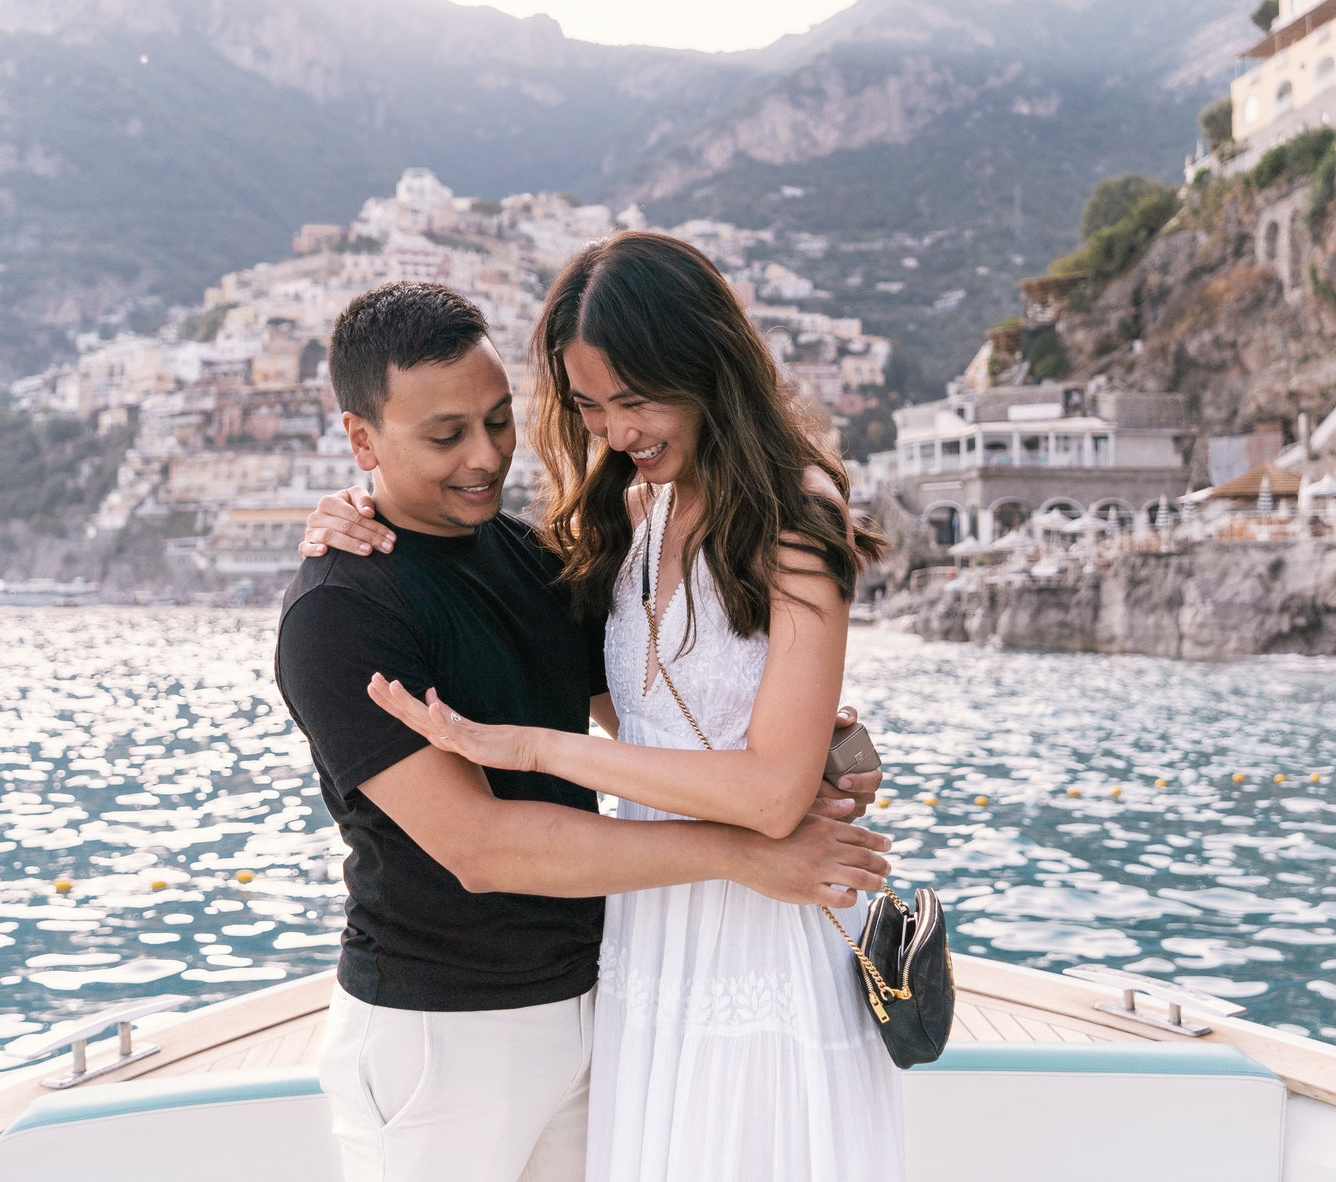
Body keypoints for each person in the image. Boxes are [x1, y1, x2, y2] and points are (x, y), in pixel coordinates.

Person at [307, 234, 906, 1181]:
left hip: (653, 958)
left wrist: (811, 748)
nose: (484, 457)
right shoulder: (358, 602)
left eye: (501, 421)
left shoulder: (672, 531)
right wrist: (749, 847)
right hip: (519, 992)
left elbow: (682, 727)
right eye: (591, 407)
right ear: (363, 439)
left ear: (703, 364)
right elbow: (493, 837)